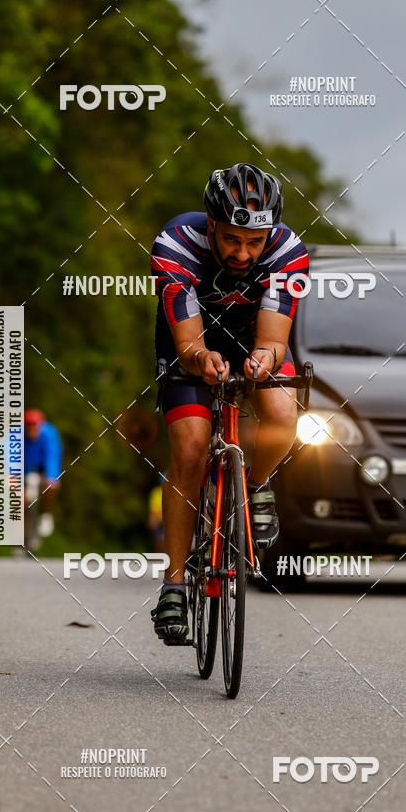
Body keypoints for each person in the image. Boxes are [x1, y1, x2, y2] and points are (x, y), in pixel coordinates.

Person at [150, 162, 309, 641]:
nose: (242, 253)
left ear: (270, 235)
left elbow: (274, 338)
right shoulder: (176, 243)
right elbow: (188, 342)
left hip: (252, 340)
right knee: (192, 448)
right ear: (212, 225)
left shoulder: (287, 251)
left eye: (253, 243)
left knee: (283, 414)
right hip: (189, 343)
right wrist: (200, 359)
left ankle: (256, 487)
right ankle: (174, 584)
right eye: (231, 239)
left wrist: (263, 359)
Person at [24, 409, 62, 540]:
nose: (32, 430)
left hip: (42, 469)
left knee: (50, 487)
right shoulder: (16, 435)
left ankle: (45, 513)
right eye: (29, 426)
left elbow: (52, 456)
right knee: (20, 500)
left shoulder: (49, 433)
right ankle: (21, 538)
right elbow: (9, 456)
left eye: (35, 426)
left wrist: (52, 477)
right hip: (23, 469)